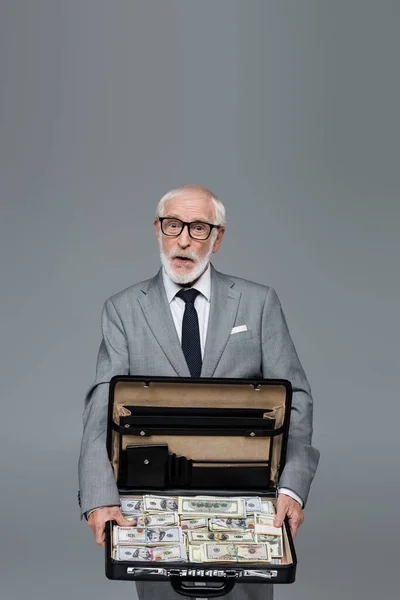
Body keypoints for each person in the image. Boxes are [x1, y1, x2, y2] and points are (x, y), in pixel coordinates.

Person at [78, 184, 320, 600]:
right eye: (174, 225)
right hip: (153, 491)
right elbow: (101, 406)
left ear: (218, 237)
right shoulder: (122, 309)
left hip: (248, 491)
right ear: (158, 229)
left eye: (199, 228)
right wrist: (100, 496)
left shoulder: (258, 303)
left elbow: (295, 397)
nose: (184, 239)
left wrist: (293, 488)